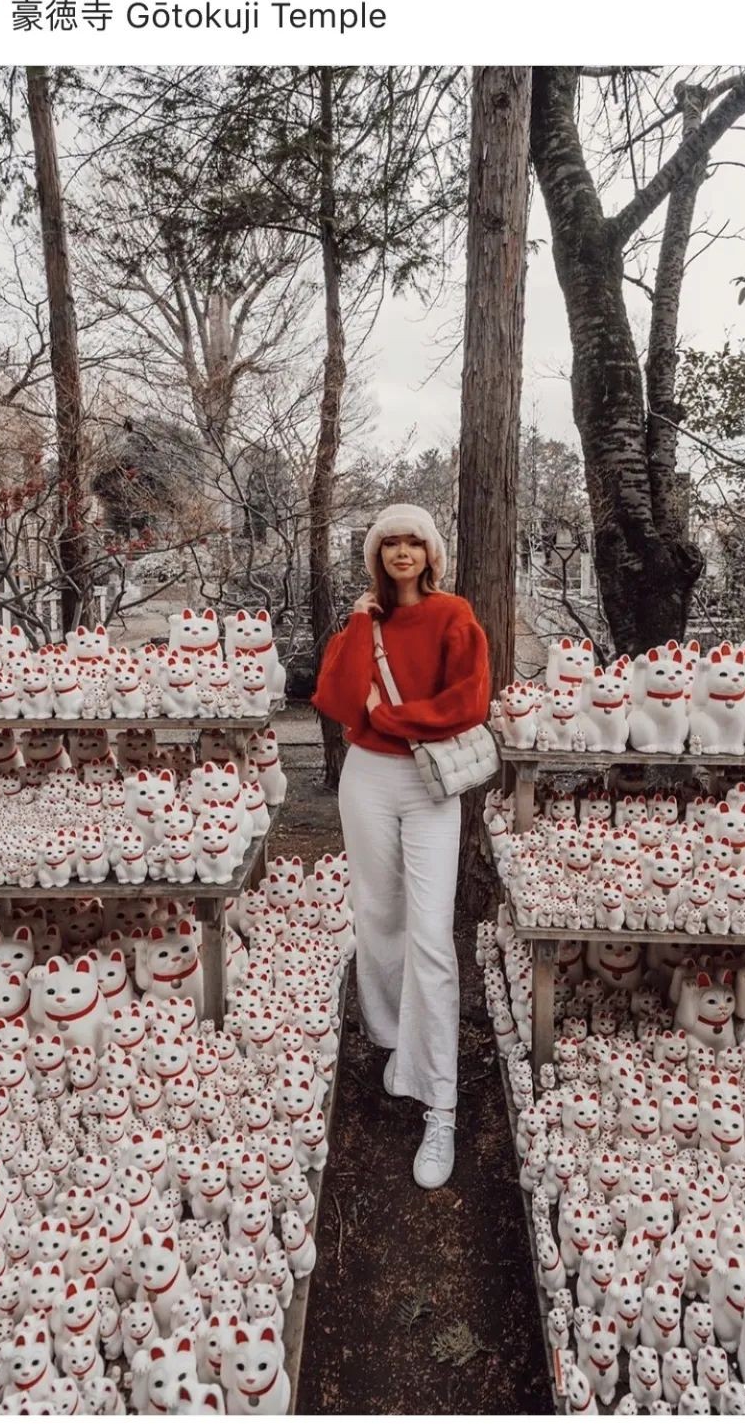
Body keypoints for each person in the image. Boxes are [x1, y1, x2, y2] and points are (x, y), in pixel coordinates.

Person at [311, 503, 491, 1189]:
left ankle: (439, 1102)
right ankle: (394, 1043)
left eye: (415, 540)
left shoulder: (453, 615)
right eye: (390, 542)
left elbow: (468, 700)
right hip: (368, 779)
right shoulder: (367, 622)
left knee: (431, 935)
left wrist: (394, 716)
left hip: (429, 781)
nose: (403, 550)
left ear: (432, 551)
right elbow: (335, 697)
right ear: (377, 555)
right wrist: (360, 622)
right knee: (377, 916)